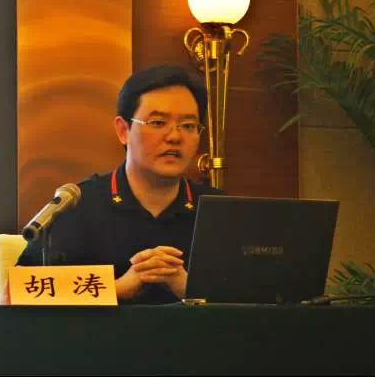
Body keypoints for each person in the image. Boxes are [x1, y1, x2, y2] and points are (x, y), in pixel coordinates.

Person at [15, 64, 222, 304]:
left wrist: (191, 288)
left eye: (188, 125)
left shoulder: (218, 210)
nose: (175, 136)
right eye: (157, 123)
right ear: (123, 130)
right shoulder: (79, 205)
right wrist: (118, 288)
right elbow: (19, 289)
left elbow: (253, 301)